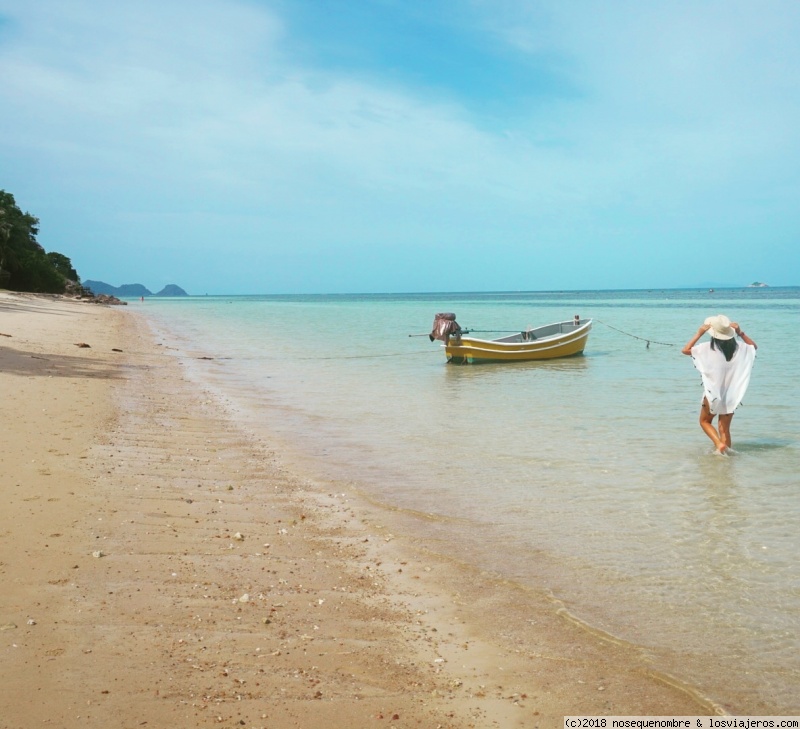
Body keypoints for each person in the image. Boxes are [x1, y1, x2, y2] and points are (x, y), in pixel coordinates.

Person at [681, 314, 757, 453]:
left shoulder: (706, 348)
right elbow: (753, 347)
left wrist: (699, 333)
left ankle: (718, 444)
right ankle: (726, 457)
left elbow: (685, 350)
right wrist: (740, 332)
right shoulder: (740, 348)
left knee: (704, 422)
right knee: (724, 429)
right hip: (732, 395)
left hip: (713, 394)